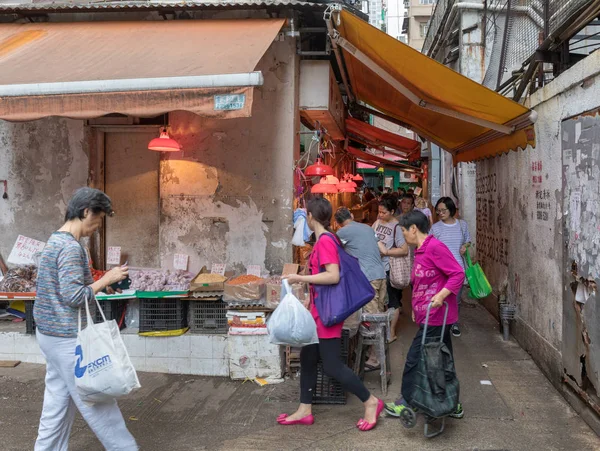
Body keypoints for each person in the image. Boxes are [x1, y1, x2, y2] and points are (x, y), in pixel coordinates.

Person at [34, 188, 138, 451]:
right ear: (86, 212)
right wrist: (106, 279)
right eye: (99, 218)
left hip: (50, 334)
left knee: (57, 404)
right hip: (67, 338)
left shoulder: (55, 241)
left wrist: (100, 285)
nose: (98, 226)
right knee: (97, 401)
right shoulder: (70, 248)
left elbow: (67, 289)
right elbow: (72, 297)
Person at [280, 197, 384, 431]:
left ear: (309, 216)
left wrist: (299, 278)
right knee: (308, 359)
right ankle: (304, 409)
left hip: (327, 314)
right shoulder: (324, 239)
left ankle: (371, 401)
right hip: (318, 311)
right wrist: (309, 297)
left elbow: (333, 275)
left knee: (332, 366)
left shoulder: (325, 240)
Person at [384, 210, 465, 420]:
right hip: (428, 316)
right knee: (442, 360)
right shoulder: (420, 250)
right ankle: (452, 403)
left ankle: (406, 401)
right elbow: (420, 283)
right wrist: (415, 308)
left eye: (403, 231)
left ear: (413, 228)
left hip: (437, 316)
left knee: (414, 358)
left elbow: (457, 273)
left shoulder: (435, 247)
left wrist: (441, 296)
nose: (403, 236)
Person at [335, 207, 387, 369]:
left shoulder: (342, 233)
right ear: (351, 215)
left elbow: (334, 253)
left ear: (338, 223)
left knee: (372, 320)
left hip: (367, 279)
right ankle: (377, 351)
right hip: (380, 274)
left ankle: (375, 359)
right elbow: (383, 250)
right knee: (379, 315)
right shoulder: (367, 228)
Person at [430, 197, 471, 337]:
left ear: (451, 209)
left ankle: (454, 323)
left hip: (458, 269)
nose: (440, 213)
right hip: (440, 270)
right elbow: (429, 247)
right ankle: (441, 323)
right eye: (438, 211)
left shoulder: (462, 225)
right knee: (440, 298)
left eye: (443, 210)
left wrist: (465, 247)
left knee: (456, 299)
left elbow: (468, 241)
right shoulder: (435, 228)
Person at [372, 197, 409, 343]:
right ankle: (383, 329)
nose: (380, 215)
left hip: (389, 268)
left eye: (384, 212)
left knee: (393, 301)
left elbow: (404, 250)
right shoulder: (377, 222)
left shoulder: (397, 227)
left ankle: (391, 333)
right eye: (379, 212)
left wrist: (386, 252)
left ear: (392, 211)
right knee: (381, 300)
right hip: (376, 268)